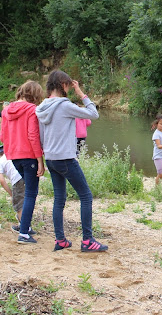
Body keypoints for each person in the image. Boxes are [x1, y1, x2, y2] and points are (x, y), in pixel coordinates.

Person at [36, 70, 107, 253]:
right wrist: (81, 93)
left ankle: (60, 240)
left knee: (59, 199)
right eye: (68, 85)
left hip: (51, 159)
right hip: (66, 158)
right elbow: (94, 114)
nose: (69, 87)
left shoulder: (42, 107)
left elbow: (41, 137)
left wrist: (42, 159)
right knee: (86, 196)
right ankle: (87, 241)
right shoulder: (64, 105)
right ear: (63, 84)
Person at [0, 81, 45, 244]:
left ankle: (24, 226)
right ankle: (24, 233)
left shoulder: (6, 110)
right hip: (29, 156)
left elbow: (2, 136)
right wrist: (40, 160)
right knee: (31, 193)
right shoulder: (32, 109)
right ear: (35, 94)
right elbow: (33, 136)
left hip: (14, 157)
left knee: (27, 191)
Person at [0, 145, 35, 235]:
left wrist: (11, 193)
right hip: (26, 175)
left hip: (17, 179)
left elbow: (2, 180)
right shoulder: (10, 154)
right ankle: (25, 225)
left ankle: (25, 228)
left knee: (18, 205)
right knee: (26, 201)